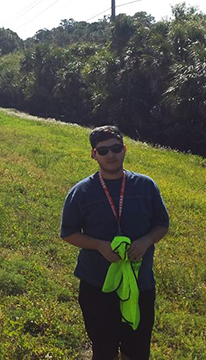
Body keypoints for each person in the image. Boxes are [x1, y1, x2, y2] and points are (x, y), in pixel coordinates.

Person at [60, 125, 169, 360]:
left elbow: (162, 224)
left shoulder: (145, 186)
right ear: (93, 154)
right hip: (97, 284)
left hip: (140, 284)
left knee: (137, 350)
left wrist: (145, 241)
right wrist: (99, 245)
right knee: (104, 348)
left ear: (124, 149)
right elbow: (68, 232)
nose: (111, 155)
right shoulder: (81, 192)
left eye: (116, 148)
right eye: (103, 151)